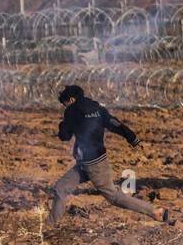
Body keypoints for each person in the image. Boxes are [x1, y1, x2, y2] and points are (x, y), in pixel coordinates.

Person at [49, 84, 166, 223]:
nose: (65, 106)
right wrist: (132, 138)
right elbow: (115, 124)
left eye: (65, 103)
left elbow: (64, 136)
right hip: (87, 163)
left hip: (94, 165)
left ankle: (154, 211)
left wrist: (63, 124)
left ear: (71, 100)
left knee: (113, 196)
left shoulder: (72, 111)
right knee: (60, 188)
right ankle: (51, 225)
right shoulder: (97, 108)